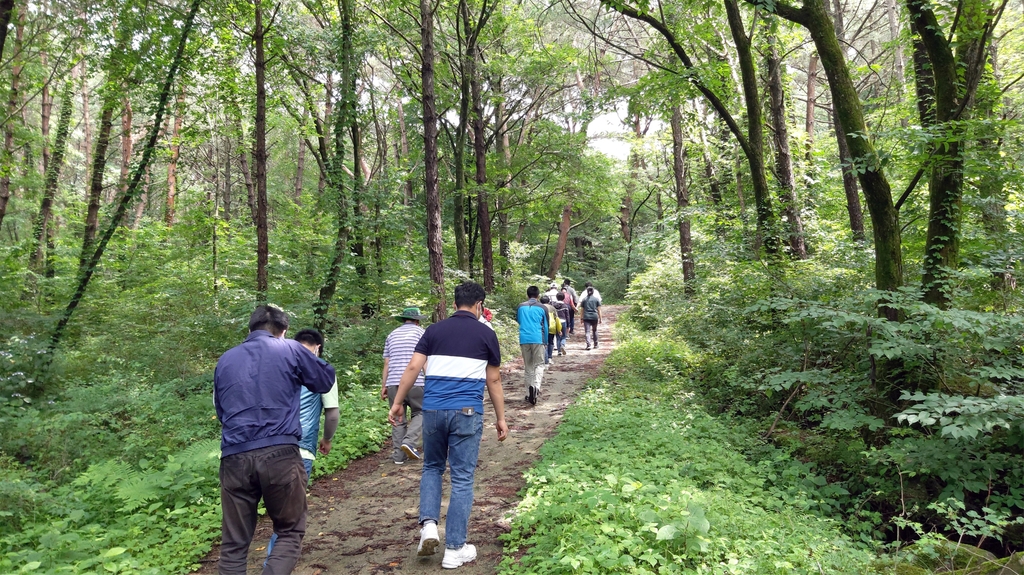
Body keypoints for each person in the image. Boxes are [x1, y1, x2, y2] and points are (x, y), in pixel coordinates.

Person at [387, 281, 507, 569]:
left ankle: (428, 526)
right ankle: (454, 548)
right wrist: (501, 418)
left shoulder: (433, 330)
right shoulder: (486, 334)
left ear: (454, 304)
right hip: (466, 412)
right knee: (463, 477)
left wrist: (397, 402)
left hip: (432, 411)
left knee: (432, 467)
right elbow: (493, 380)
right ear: (479, 306)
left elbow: (413, 368)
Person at [214, 305, 336, 575]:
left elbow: (221, 410)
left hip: (234, 456)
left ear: (250, 329)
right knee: (289, 532)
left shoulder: (225, 359)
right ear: (284, 330)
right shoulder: (290, 349)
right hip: (280, 453)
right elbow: (325, 380)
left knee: (233, 545)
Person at [265, 328, 339, 562]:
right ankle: (273, 562)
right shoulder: (321, 369)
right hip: (301, 447)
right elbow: (332, 413)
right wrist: (327, 439)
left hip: (267, 445)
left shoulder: (277, 367)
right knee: (290, 514)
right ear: (318, 347)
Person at [381, 307, 428, 465]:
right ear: (417, 320)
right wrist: (430, 378)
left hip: (394, 382)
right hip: (416, 382)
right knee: (422, 412)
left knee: (398, 418)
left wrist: (384, 385)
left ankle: (398, 457)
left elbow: (387, 363)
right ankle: (409, 441)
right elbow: (425, 359)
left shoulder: (391, 335)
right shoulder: (421, 333)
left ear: (403, 320)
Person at [516, 285, 548, 405]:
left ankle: (528, 393)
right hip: (537, 338)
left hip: (524, 338)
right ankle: (536, 386)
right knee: (539, 364)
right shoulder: (542, 307)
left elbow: (519, 320)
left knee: (528, 365)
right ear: (538, 295)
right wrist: (545, 341)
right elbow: (545, 325)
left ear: (527, 294)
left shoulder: (520, 307)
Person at [580, 285, 603, 350]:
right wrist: (600, 318)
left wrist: (581, 318)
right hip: (594, 317)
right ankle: (596, 344)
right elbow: (599, 310)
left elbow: (582, 310)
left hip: (586, 317)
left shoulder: (584, 300)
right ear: (593, 292)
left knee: (587, 331)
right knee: (594, 330)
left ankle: (588, 345)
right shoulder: (596, 299)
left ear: (587, 292)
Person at [539, 295, 559, 364]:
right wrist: (558, 329)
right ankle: (549, 357)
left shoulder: (539, 307)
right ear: (548, 301)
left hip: (542, 327)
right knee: (551, 342)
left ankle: (544, 358)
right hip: (551, 327)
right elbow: (556, 318)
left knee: (544, 343)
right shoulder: (552, 308)